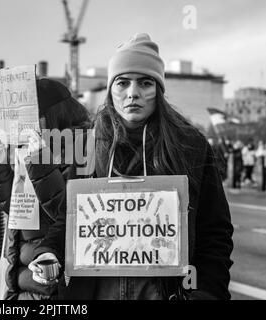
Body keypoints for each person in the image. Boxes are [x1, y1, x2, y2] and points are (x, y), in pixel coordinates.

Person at [28, 33, 234, 300]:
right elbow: (70, 218)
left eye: (145, 83)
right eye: (122, 83)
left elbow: (214, 231)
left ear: (158, 89)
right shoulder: (88, 143)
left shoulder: (190, 144)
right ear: (111, 89)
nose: (132, 93)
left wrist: (206, 293)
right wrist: (49, 253)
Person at [0, 79, 91, 300]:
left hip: (51, 279)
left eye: (29, 117)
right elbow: (17, 211)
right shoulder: (29, 148)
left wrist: (41, 164)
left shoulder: (81, 146)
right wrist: (0, 169)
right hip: (23, 275)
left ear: (50, 115)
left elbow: (68, 214)